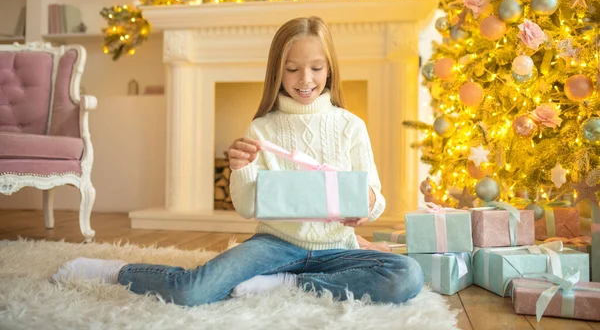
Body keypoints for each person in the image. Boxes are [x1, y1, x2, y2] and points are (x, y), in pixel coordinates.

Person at [52, 16, 423, 306]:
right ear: (277, 69)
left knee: (406, 275)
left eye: (316, 68)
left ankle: (287, 284)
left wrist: (366, 207)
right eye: (292, 69)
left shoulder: (350, 125)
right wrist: (239, 168)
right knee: (193, 291)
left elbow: (375, 196)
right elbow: (247, 208)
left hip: (338, 248)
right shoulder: (262, 128)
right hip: (275, 245)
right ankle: (112, 271)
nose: (305, 79)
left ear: (330, 69)